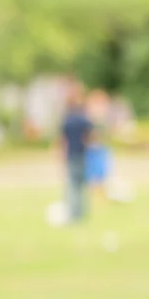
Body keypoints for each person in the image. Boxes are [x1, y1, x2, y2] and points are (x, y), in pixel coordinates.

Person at [58, 81, 93, 225]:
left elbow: (62, 140)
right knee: (81, 184)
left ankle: (74, 213)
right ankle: (81, 212)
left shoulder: (67, 120)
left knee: (72, 185)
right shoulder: (84, 119)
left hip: (71, 155)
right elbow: (90, 136)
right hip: (82, 154)